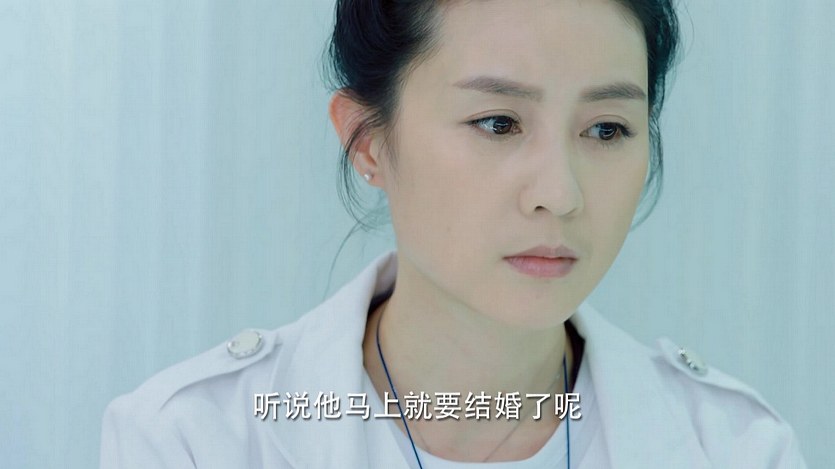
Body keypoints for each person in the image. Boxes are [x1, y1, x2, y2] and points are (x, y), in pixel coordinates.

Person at [100, 0, 807, 467]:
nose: (559, 193)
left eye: (605, 130)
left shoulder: (736, 449)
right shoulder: (196, 441)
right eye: (498, 123)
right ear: (367, 141)